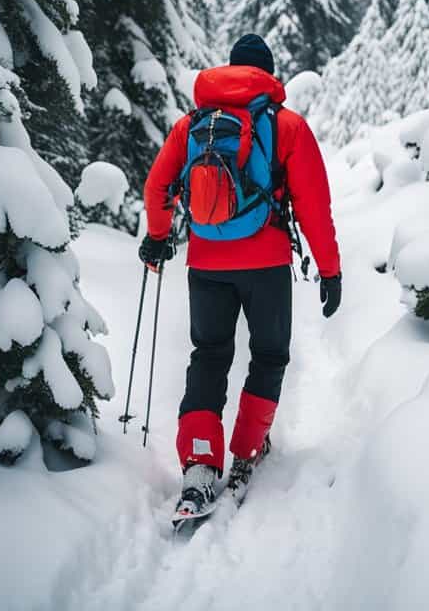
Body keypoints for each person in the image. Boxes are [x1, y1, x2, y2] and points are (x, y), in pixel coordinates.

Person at [139, 33, 342, 515]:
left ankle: (200, 465)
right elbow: (315, 207)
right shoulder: (287, 125)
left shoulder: (193, 125)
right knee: (268, 355)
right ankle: (247, 450)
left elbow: (157, 185)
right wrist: (330, 271)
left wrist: (158, 236)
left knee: (208, 354)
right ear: (268, 74)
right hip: (267, 264)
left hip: (206, 264)